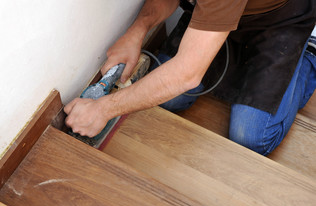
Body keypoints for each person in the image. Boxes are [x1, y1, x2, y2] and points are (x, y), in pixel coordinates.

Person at [64, 0, 316, 156]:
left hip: (276, 21)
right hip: (217, 16)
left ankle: (309, 56)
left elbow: (186, 75)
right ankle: (206, 37)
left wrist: (103, 109)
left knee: (252, 137)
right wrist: (137, 30)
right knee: (169, 100)